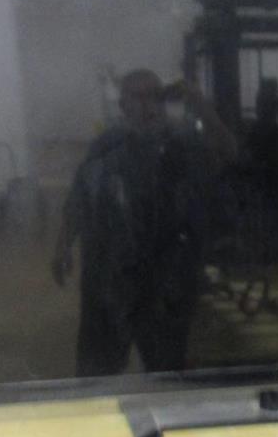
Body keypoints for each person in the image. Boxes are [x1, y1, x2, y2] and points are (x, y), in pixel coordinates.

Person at [51, 69, 236, 376]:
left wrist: (200, 104)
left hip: (165, 282)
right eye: (138, 97)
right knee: (97, 373)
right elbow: (80, 199)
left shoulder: (181, 144)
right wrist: (62, 246)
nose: (147, 106)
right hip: (111, 279)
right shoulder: (106, 147)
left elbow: (228, 152)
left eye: (155, 96)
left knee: (167, 372)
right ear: (123, 105)